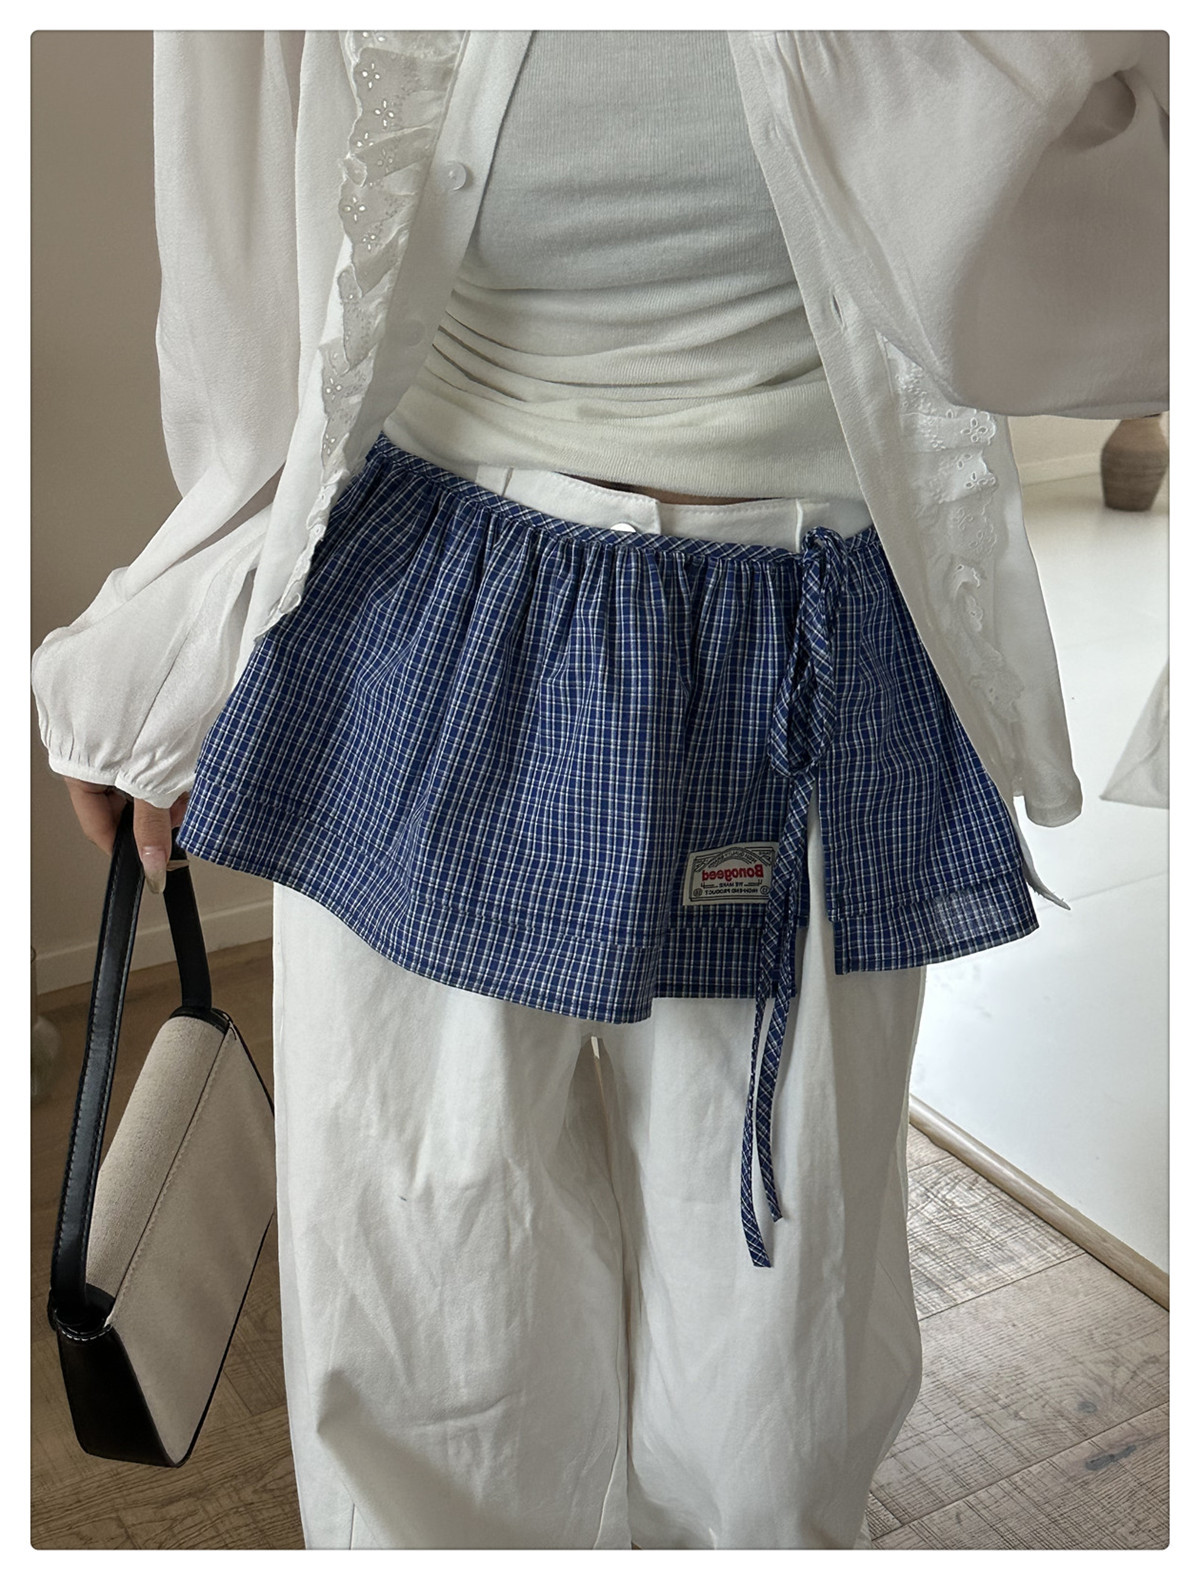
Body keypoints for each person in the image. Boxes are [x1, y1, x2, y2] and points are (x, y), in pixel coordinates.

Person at [33, 31, 1168, 1550]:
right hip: (428, 616)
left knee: (775, 1385)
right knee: (426, 1327)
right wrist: (177, 646)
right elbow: (250, 284)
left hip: (810, 645)